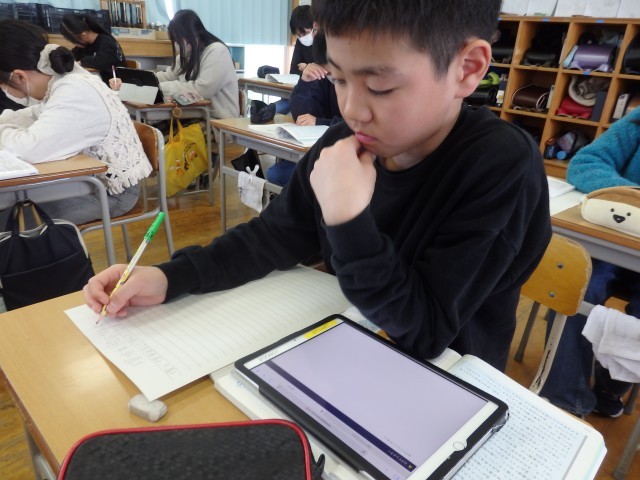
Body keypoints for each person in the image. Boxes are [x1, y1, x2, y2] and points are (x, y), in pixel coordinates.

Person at [84, 0, 551, 372]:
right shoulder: (344, 141)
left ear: (467, 68)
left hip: (449, 381)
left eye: (380, 88)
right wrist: (171, 277)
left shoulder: (500, 163)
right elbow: (271, 237)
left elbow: (426, 331)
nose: (353, 110)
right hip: (345, 347)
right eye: (340, 79)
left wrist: (348, 220)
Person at [540, 108, 640, 418]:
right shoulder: (637, 121)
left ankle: (611, 385)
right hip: (613, 241)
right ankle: (565, 398)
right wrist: (631, 198)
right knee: (577, 286)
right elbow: (585, 163)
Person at [0, 20, 151, 224]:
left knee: (12, 220)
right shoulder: (60, 82)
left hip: (111, 192)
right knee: (12, 205)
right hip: (88, 181)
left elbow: (28, 148)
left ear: (19, 76)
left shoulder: (73, 89)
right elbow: (34, 115)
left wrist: (3, 131)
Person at [268, 30, 340, 186]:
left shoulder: (359, 83)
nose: (330, 75)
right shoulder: (323, 76)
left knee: (281, 175)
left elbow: (357, 126)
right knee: (276, 173)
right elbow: (301, 116)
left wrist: (320, 122)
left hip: (344, 156)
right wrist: (305, 82)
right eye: (326, 70)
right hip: (319, 149)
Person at [156, 9, 239, 121]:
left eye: (178, 39)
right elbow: (168, 76)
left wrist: (162, 87)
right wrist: (145, 80)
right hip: (193, 116)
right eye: (174, 40)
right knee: (150, 129)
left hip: (218, 122)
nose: (176, 44)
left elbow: (202, 91)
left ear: (193, 34)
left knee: (158, 132)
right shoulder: (186, 56)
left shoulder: (217, 51)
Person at [60, 13, 127, 72]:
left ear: (83, 36)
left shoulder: (107, 43)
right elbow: (72, 54)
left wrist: (81, 62)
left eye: (73, 41)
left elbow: (101, 61)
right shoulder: (84, 46)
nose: (74, 44)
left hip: (116, 80)